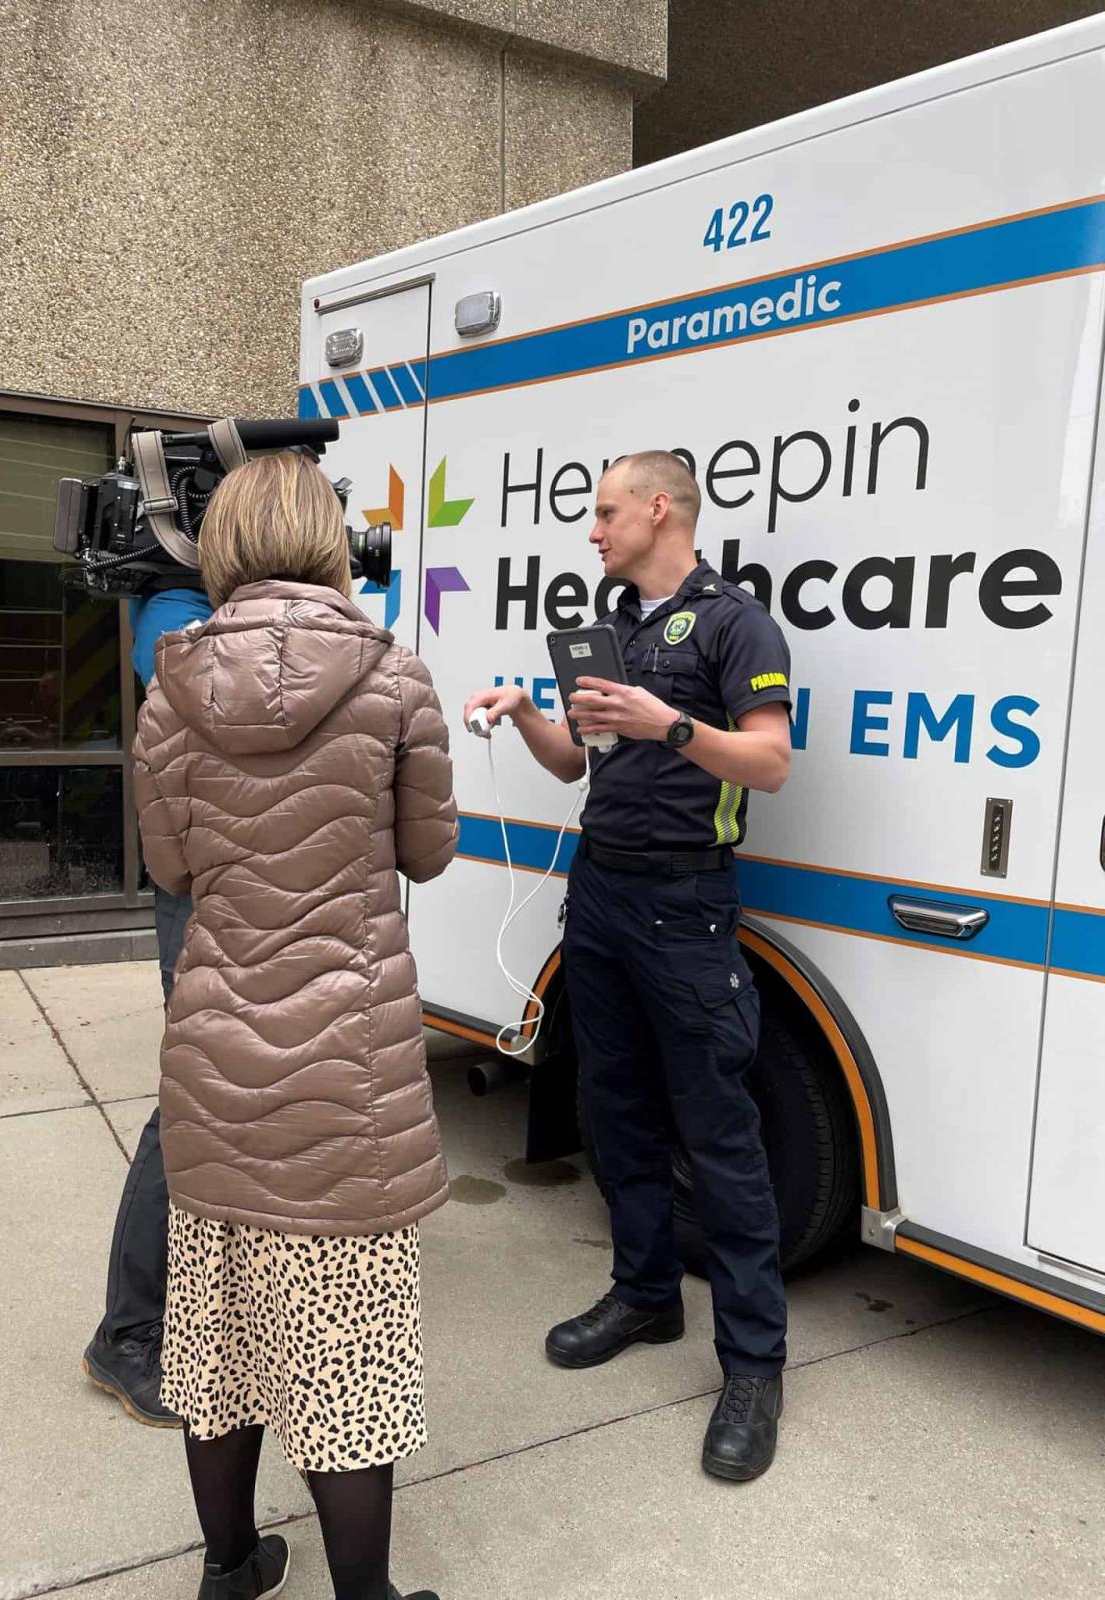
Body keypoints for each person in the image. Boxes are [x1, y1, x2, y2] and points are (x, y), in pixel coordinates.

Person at [134, 449, 456, 1600]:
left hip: (215, 1062)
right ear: (329, 539)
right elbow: (428, 851)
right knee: (344, 1365)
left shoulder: (168, 691)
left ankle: (230, 1570)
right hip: (345, 1075)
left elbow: (171, 871)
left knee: (219, 1347)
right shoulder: (394, 678)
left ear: (219, 545)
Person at [463, 451, 793, 1483]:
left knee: (720, 1136)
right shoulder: (611, 626)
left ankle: (754, 1367)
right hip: (600, 894)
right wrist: (527, 714)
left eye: (607, 511)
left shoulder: (738, 624)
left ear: (660, 508)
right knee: (617, 1110)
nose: (594, 530)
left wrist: (672, 724)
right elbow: (578, 760)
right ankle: (646, 1295)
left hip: (686, 906)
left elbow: (772, 762)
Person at [83, 584, 212, 1427]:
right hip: (201, 889)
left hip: (254, 894)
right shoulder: (175, 609)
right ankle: (127, 1334)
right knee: (190, 1104)